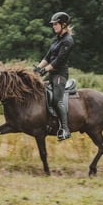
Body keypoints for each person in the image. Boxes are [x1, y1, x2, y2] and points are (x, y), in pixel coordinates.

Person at [33, 12, 74, 141]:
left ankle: (65, 129)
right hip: (51, 73)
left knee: (57, 99)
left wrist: (44, 70)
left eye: (56, 24)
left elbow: (58, 61)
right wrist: (37, 69)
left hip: (60, 75)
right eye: (53, 24)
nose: (53, 26)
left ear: (64, 24)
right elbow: (47, 57)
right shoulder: (57, 40)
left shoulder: (68, 41)